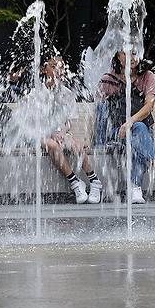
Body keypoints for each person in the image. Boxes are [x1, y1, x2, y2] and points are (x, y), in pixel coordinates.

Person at [97, 50, 155, 204]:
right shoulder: (108, 80)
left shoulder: (147, 76)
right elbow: (99, 110)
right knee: (137, 132)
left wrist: (129, 122)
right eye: (125, 53)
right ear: (118, 57)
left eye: (134, 53)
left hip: (139, 129)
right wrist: (97, 138)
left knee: (137, 133)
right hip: (115, 132)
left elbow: (149, 107)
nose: (131, 57)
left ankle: (135, 189)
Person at [40, 56, 103, 204]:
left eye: (61, 67)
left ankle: (94, 180)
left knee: (76, 145)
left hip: (59, 133)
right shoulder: (36, 94)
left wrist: (62, 132)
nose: (58, 70)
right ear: (44, 69)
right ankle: (75, 183)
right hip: (40, 135)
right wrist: (51, 133)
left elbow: (68, 122)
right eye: (53, 66)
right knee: (53, 145)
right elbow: (34, 124)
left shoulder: (67, 93)